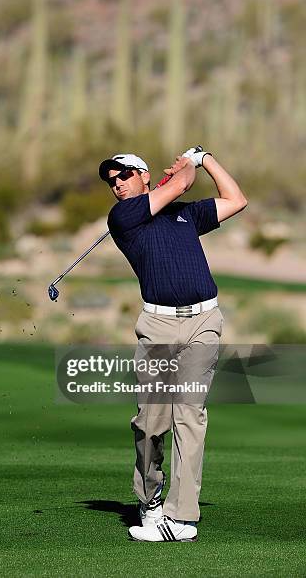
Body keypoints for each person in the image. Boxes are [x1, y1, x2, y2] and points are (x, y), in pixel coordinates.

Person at [98, 148, 247, 542]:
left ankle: (182, 516)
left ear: (144, 175)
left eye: (125, 176)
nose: (118, 185)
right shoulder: (123, 217)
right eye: (113, 182)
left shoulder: (184, 214)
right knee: (151, 424)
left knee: (190, 417)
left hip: (204, 322)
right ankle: (149, 501)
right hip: (158, 327)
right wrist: (188, 163)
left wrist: (208, 158)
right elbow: (181, 181)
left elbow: (236, 200)